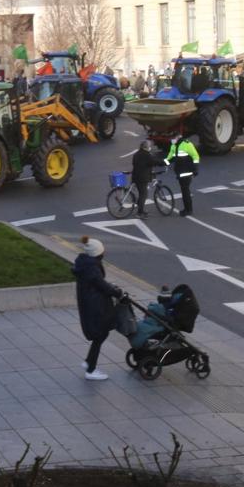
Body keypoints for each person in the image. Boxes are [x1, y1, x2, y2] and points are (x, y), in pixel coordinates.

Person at [72, 236, 123, 381]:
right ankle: (91, 369)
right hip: (95, 305)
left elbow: (99, 283)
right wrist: (116, 292)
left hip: (90, 303)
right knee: (100, 334)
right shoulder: (92, 268)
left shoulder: (85, 264)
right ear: (98, 254)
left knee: (101, 334)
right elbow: (102, 285)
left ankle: (89, 361)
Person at [165, 134, 200, 217]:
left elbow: (195, 156)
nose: (172, 140)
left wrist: (195, 169)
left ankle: (188, 210)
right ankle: (187, 209)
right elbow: (171, 157)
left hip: (187, 172)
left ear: (178, 137)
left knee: (185, 192)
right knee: (184, 192)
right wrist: (162, 163)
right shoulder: (174, 146)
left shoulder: (187, 144)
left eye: (173, 138)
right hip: (180, 172)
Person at [131, 140, 157, 218]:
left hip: (136, 176)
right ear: (146, 147)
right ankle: (140, 213)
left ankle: (141, 209)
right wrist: (165, 162)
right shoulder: (147, 155)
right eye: (149, 146)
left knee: (142, 193)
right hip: (142, 178)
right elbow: (154, 162)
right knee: (143, 195)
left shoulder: (136, 154)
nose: (150, 147)